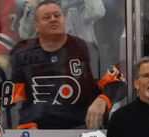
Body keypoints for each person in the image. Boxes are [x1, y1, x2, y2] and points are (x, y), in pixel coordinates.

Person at [8, 0, 126, 129]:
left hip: (81, 131)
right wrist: (25, 123)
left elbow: (118, 83)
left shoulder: (87, 51)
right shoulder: (23, 57)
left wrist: (102, 100)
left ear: (64, 19)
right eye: (47, 17)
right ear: (36, 26)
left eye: (57, 15)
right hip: (37, 133)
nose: (53, 19)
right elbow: (13, 100)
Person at [18, 0, 104, 47]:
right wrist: (34, 5)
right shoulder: (39, 5)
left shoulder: (78, 5)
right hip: (49, 62)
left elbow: (97, 12)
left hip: (82, 63)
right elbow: (26, 34)